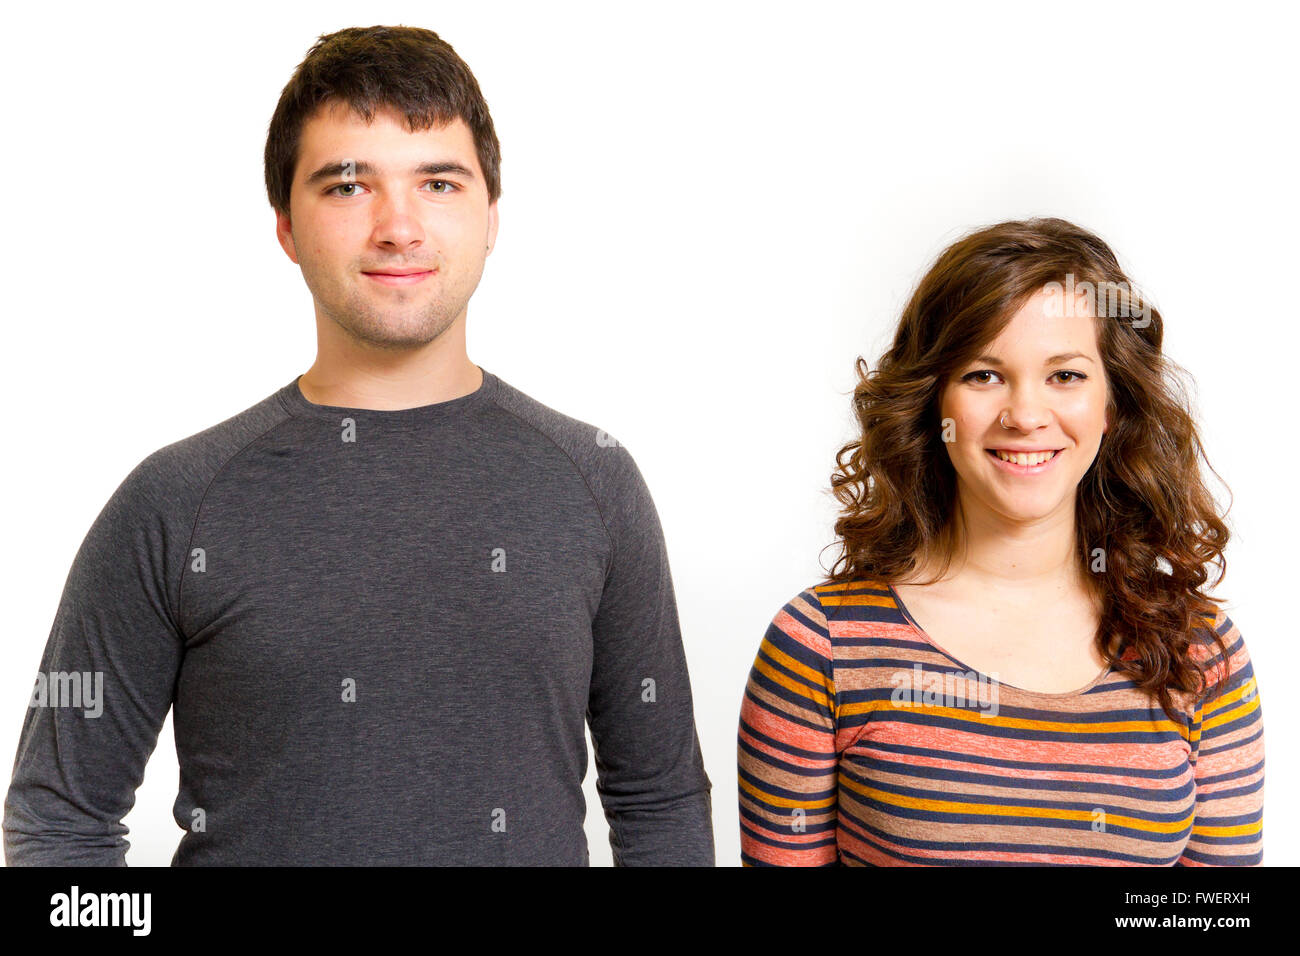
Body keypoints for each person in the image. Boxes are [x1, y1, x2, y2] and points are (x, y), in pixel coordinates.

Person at [4, 24, 713, 866]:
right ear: (285, 227)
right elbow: (59, 823)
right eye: (347, 186)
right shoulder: (173, 501)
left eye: (439, 182)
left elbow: (660, 802)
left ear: (492, 218)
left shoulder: (596, 483)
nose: (398, 226)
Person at [737, 218, 1263, 866]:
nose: (1025, 415)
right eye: (984, 375)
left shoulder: (1200, 651)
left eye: (1065, 376)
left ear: (1113, 405)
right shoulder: (822, 647)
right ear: (934, 403)